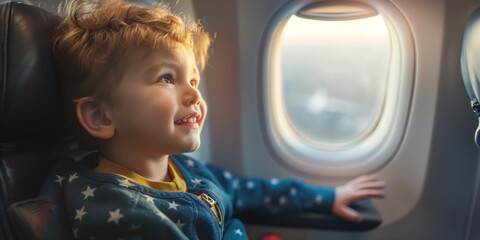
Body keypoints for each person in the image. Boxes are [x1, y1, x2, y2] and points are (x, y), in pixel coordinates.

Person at [39, 0, 386, 239]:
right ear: (100, 116)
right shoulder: (115, 213)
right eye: (165, 78)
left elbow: (249, 191)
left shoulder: (185, 170)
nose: (194, 95)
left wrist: (324, 197)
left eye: (193, 80)